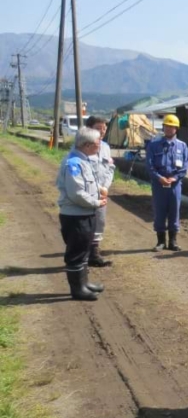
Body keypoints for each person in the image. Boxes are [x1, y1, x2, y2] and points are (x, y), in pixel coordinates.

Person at [56, 127, 108, 301]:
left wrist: (99, 191)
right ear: (87, 145)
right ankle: (77, 289)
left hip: (85, 213)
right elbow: (76, 193)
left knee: (84, 250)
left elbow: (87, 185)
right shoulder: (73, 163)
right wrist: (96, 202)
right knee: (76, 252)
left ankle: (84, 283)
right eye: (97, 142)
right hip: (75, 215)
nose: (99, 144)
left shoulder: (84, 160)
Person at [146, 114, 188, 252]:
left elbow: (185, 165)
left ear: (176, 129)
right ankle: (160, 242)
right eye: (167, 126)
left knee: (174, 211)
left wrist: (175, 177)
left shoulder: (182, 146)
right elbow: (149, 165)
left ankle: (173, 241)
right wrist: (159, 177)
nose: (169, 129)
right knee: (160, 212)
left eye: (172, 127)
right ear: (163, 127)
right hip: (159, 185)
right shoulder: (154, 146)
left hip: (175, 185)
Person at [85, 116, 115, 267]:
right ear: (89, 129)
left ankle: (94, 254)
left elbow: (110, 168)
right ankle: (83, 254)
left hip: (102, 191)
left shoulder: (106, 147)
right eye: (98, 128)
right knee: (84, 223)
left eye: (104, 128)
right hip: (87, 192)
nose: (102, 131)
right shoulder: (82, 147)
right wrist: (97, 188)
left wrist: (105, 187)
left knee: (99, 222)